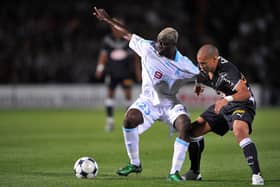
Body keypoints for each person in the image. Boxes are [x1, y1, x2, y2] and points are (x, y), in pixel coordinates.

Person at [93, 7, 200, 181]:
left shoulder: (183, 63)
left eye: (163, 44)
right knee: (130, 118)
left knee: (185, 125)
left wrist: (199, 84)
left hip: (170, 104)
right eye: (158, 41)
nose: (158, 46)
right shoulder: (148, 47)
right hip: (148, 102)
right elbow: (127, 34)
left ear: (172, 46)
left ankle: (174, 172)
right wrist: (107, 20)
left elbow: (201, 73)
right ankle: (135, 164)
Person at [182, 44, 264, 185]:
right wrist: (198, 87)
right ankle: (194, 172)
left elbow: (244, 93)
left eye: (203, 63)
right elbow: (200, 77)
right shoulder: (204, 69)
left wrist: (226, 100)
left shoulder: (227, 71)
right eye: (199, 63)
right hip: (224, 104)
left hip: (242, 103)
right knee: (191, 131)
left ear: (215, 59)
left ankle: (257, 175)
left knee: (239, 130)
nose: (201, 66)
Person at [95, 17, 141, 132]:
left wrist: (138, 72)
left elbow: (135, 58)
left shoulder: (128, 40)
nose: (118, 28)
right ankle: (110, 122)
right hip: (112, 72)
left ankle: (130, 122)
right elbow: (103, 55)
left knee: (128, 96)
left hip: (126, 73)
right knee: (110, 95)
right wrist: (100, 68)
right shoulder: (107, 40)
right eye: (116, 26)